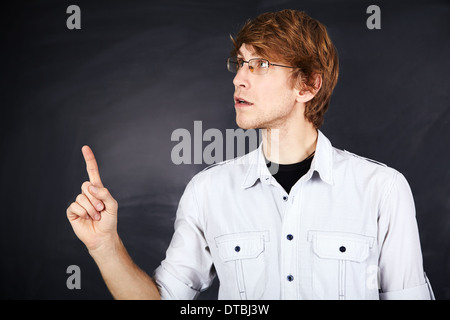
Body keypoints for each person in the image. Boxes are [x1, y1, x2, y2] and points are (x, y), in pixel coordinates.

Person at [66, 9, 434, 300]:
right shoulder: (207, 191)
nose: (238, 78)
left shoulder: (383, 189)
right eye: (240, 63)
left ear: (308, 84)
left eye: (259, 64)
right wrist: (105, 245)